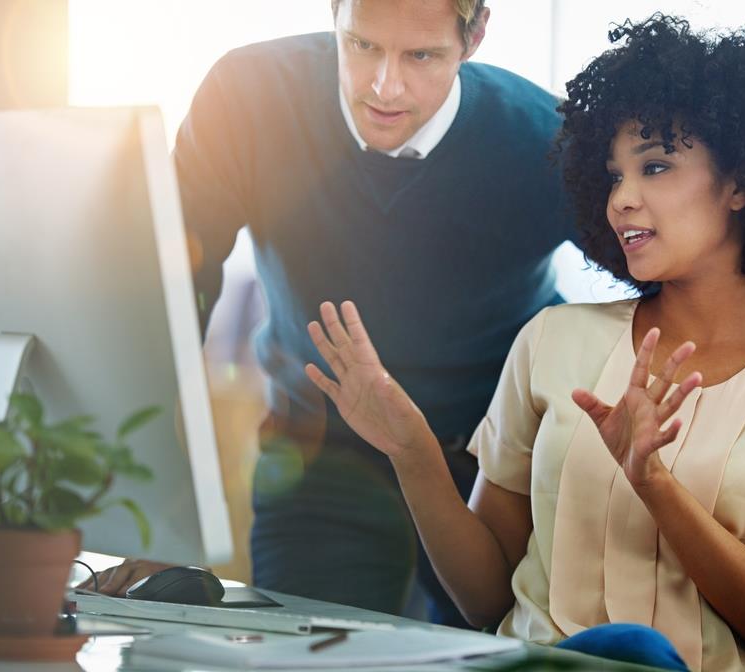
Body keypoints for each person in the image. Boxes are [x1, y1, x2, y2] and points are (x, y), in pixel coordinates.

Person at [304, 14, 745, 671]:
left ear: (743, 182)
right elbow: (482, 600)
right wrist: (412, 447)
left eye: (655, 166)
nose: (622, 199)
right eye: (614, 176)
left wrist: (654, 484)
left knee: (636, 654)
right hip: (533, 664)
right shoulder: (552, 341)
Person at [86, 0, 576, 626]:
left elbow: (659, 273)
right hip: (320, 458)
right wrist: (160, 517)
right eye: (362, 45)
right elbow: (174, 293)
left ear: (474, 36)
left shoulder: (543, 137)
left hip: (485, 471)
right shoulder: (248, 96)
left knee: (487, 652)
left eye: (420, 56)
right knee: (303, 650)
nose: (384, 87)